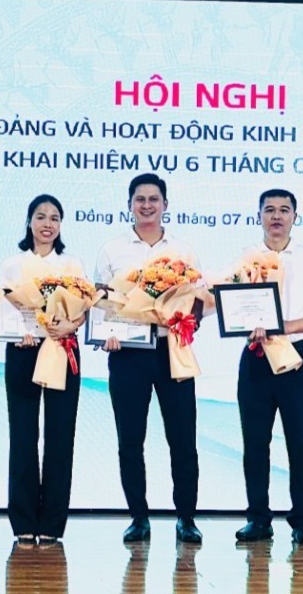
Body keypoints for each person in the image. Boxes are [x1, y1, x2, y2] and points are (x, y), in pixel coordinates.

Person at [93, 172, 202, 544]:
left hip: (173, 350)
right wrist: (105, 333)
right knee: (130, 440)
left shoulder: (184, 251)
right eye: (140, 199)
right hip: (128, 354)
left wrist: (188, 320)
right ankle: (138, 517)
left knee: (183, 439)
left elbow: (199, 300)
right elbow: (100, 301)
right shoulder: (112, 250)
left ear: (165, 205)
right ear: (129, 205)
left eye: (154, 199)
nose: (147, 205)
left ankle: (186, 518)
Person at [232, 189, 303, 546]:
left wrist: (286, 327)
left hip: (297, 359)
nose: (277, 216)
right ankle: (258, 519)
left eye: (284, 210)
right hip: (257, 357)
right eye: (270, 210)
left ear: (295, 216)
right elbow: (232, 306)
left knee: (300, 442)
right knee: (255, 444)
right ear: (259, 216)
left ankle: (302, 522)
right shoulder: (246, 259)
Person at [0, 194, 86, 544]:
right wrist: (19, 332)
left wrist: (71, 325)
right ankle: (23, 520)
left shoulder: (72, 264)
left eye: (55, 218)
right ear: (29, 221)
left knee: (61, 435)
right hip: (23, 350)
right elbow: (1, 304)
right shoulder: (12, 264)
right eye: (41, 216)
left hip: (62, 348)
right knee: (23, 435)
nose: (48, 224)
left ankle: (52, 523)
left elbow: (84, 307)